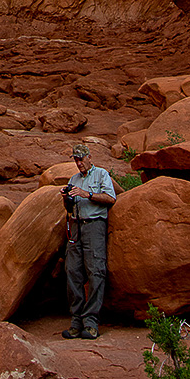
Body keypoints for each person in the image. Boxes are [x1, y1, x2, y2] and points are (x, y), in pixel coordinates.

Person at [59, 143, 116, 340]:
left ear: (90, 157)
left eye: (81, 158)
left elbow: (110, 198)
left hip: (94, 226)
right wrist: (67, 198)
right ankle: (76, 322)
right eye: (76, 159)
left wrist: (87, 194)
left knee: (96, 272)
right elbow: (70, 207)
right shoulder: (74, 179)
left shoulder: (101, 175)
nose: (79, 162)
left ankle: (91, 323)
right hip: (76, 226)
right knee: (72, 272)